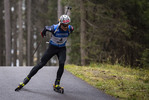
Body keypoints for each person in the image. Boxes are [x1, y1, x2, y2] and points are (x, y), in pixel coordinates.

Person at [15, 15, 74, 92]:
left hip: (62, 49)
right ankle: (26, 79)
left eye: (67, 24)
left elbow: (69, 30)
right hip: (52, 48)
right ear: (60, 23)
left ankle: (57, 83)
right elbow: (46, 28)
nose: (66, 27)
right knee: (41, 64)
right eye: (64, 25)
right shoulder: (54, 28)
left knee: (62, 63)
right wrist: (43, 33)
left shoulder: (70, 28)